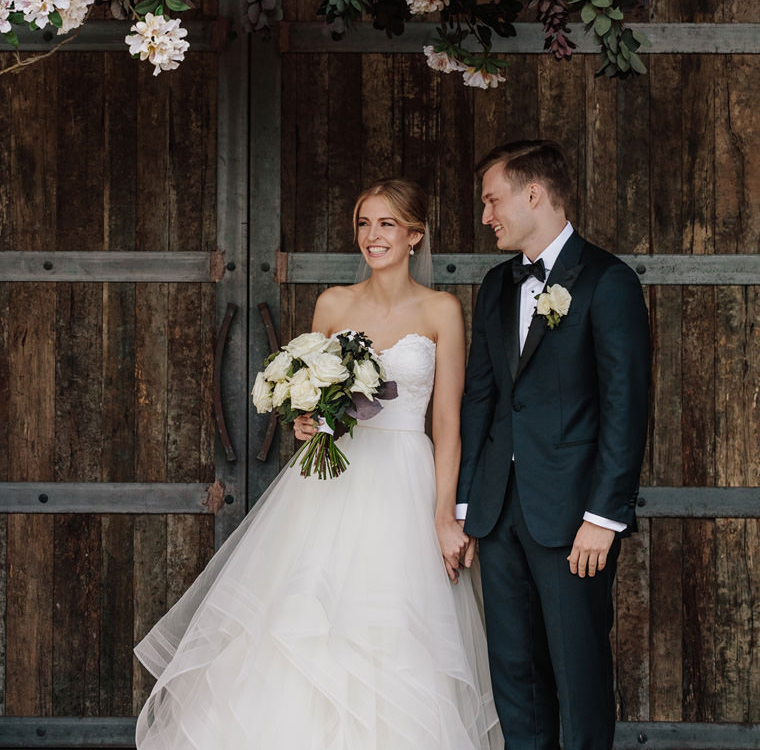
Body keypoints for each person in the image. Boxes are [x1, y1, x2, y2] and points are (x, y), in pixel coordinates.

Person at [134, 177, 501, 750]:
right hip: (329, 481)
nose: (371, 236)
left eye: (385, 224)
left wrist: (444, 515)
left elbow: (449, 422)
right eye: (363, 223)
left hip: (404, 480)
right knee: (304, 622)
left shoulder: (442, 310)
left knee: (397, 631)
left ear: (414, 235)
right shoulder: (333, 302)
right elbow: (307, 400)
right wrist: (305, 422)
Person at [457, 140, 650, 750]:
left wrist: (604, 516)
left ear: (532, 194)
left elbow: (626, 406)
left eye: (493, 200)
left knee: (578, 673)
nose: (486, 215)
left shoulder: (607, 281)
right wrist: (466, 508)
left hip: (574, 518)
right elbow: (481, 402)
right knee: (515, 675)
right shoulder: (494, 285)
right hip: (498, 513)